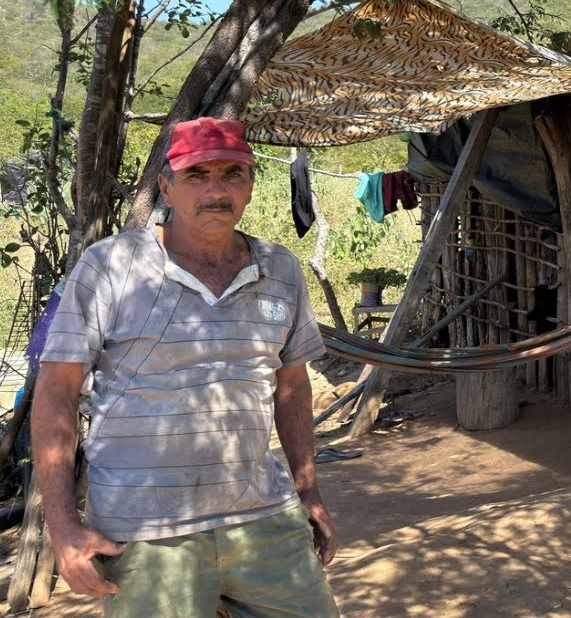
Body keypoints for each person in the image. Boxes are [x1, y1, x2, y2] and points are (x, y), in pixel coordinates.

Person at [32, 117, 340, 617]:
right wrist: (63, 524)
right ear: (166, 187)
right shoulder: (110, 266)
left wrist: (308, 489)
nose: (216, 191)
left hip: (264, 518)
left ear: (251, 184)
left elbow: (291, 385)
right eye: (197, 175)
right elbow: (56, 392)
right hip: (146, 535)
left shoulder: (281, 269)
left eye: (231, 174)